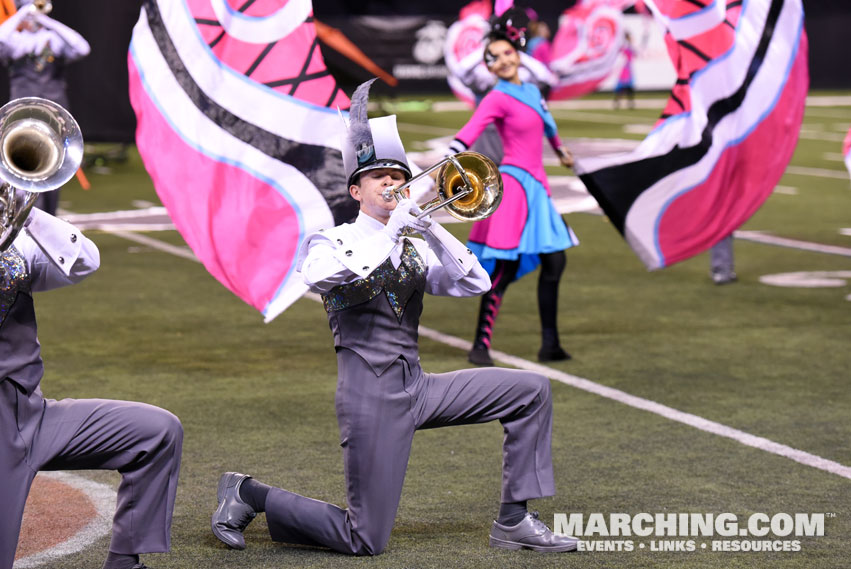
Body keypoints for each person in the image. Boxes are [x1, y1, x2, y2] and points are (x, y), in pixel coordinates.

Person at [211, 79, 577, 556]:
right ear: (355, 189)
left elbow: (476, 284)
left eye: (398, 177)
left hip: (420, 388)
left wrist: (433, 230)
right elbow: (322, 278)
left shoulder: (413, 245)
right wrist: (392, 235)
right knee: (364, 538)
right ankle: (247, 492)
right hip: (371, 398)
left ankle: (514, 520)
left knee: (531, 391)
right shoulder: (332, 240)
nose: (391, 183)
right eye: (380, 176)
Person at [0, 204, 183, 569]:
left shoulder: (13, 243)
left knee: (157, 433)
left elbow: (84, 261)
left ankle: (123, 564)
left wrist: (25, 212)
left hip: (32, 416)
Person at [447, 23, 579, 367]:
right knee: (505, 265)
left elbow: (549, 126)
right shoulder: (497, 96)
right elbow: (470, 130)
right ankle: (480, 343)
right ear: (488, 66)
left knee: (555, 261)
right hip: (517, 184)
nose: (503, 60)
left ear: (517, 54)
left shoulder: (534, 92)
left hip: (538, 185)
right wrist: (451, 159)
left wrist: (562, 151)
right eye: (494, 57)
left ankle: (550, 343)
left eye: (507, 53)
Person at [0, 1, 90, 215]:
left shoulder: (54, 39)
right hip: (23, 114)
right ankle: (28, 216)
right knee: (25, 172)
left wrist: (46, 20)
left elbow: (82, 47)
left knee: (53, 167)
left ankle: (50, 215)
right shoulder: (16, 41)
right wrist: (20, 15)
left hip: (53, 114)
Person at [613, 32, 635, 110]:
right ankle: (618, 102)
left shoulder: (627, 46)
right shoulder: (625, 46)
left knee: (629, 88)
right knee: (623, 87)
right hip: (624, 68)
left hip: (627, 68)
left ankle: (629, 103)